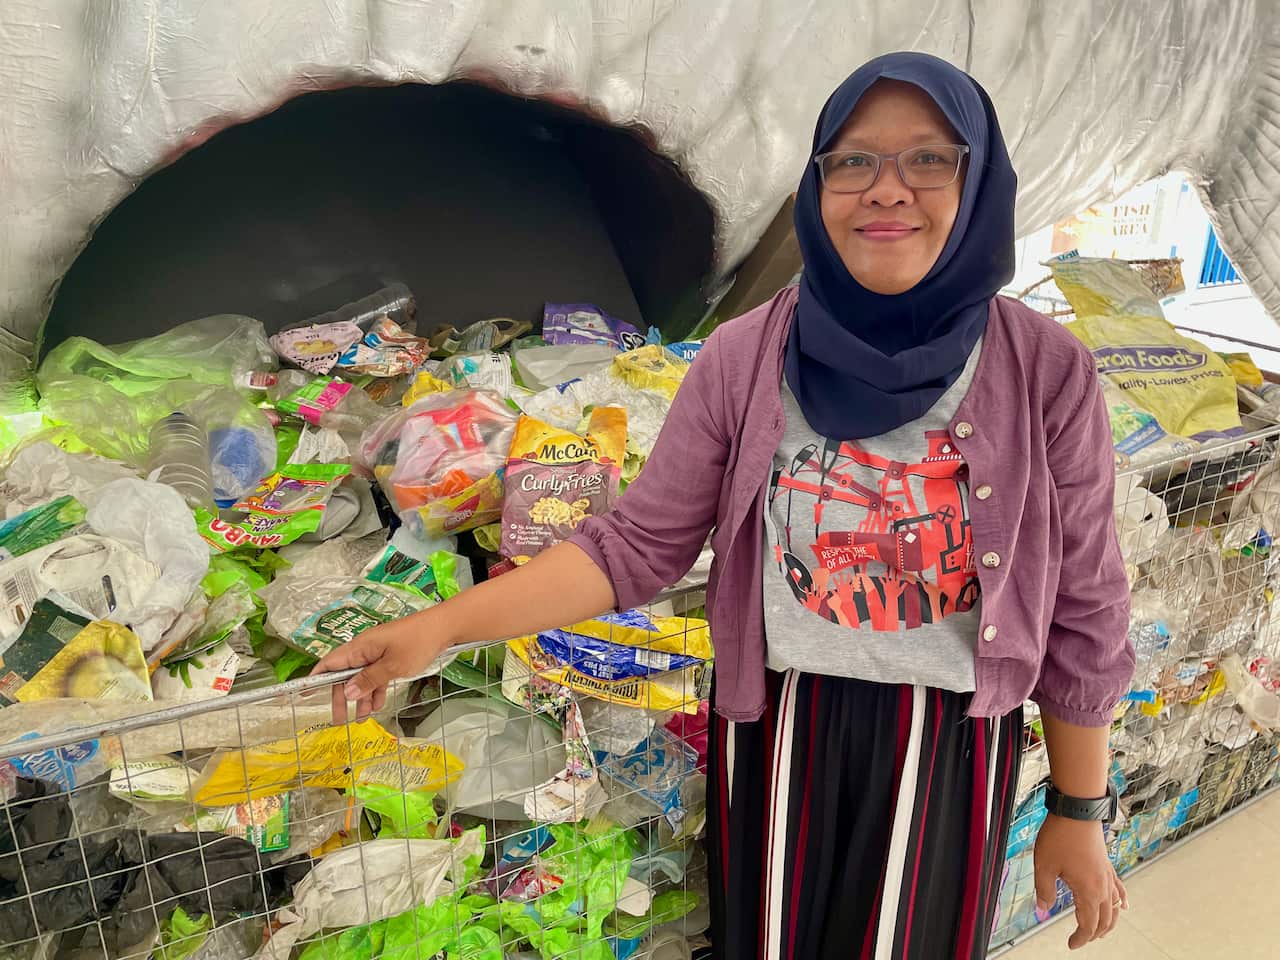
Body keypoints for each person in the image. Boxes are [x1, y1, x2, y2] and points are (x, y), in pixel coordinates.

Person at [314, 52, 1135, 959]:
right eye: (853, 160)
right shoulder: (748, 354)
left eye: (928, 159)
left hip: (943, 743)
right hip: (776, 727)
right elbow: (633, 546)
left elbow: (1085, 605)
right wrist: (440, 628)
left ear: (977, 181)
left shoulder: (1046, 372)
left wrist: (1079, 807)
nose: (886, 189)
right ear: (817, 184)